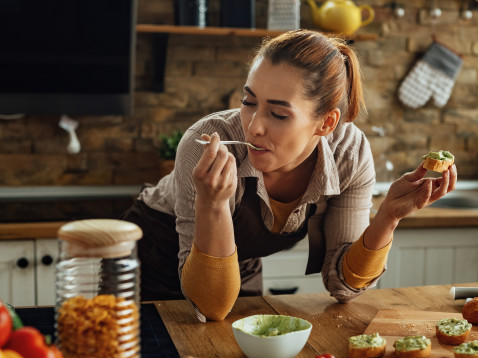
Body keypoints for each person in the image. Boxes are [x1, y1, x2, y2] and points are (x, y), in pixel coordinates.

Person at [122, 29, 457, 322]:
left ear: (326, 123)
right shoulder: (209, 143)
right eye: (248, 101)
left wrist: (386, 217)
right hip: (154, 259)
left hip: (237, 263)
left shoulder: (348, 155)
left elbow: (343, 286)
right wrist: (211, 205)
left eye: (279, 114)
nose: (253, 127)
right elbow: (209, 306)